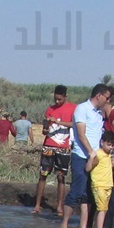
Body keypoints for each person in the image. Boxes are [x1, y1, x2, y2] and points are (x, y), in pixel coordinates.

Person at [61, 84, 111, 228]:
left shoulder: (98, 113)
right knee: (76, 190)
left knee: (87, 193)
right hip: (82, 155)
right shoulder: (82, 109)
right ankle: (64, 224)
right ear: (99, 95)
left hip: (94, 156)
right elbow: (81, 134)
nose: (107, 101)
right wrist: (90, 152)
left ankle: (83, 227)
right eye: (106, 98)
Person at [33, 87, 75, 215]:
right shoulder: (50, 109)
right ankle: (37, 205)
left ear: (65, 96)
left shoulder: (73, 108)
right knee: (43, 174)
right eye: (55, 99)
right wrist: (46, 128)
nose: (57, 101)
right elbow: (45, 129)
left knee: (61, 176)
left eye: (59, 99)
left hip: (63, 146)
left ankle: (59, 207)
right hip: (49, 145)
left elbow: (74, 124)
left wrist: (57, 121)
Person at [82, 134, 114, 228]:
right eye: (109, 145)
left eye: (112, 145)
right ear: (102, 142)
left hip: (108, 185)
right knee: (102, 209)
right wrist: (91, 158)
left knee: (103, 209)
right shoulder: (98, 154)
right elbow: (88, 168)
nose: (111, 147)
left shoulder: (109, 156)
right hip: (99, 185)